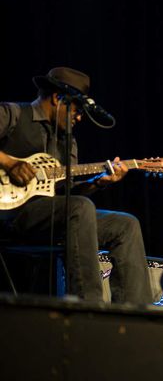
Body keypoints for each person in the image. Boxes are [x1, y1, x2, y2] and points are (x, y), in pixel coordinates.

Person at [0, 67, 152, 304]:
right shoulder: (14, 114)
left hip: (52, 215)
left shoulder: (68, 141)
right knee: (80, 209)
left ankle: (136, 313)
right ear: (57, 98)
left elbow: (67, 193)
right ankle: (88, 306)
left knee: (126, 225)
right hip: (11, 215)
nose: (79, 118)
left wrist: (97, 183)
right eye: (78, 110)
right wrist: (8, 163)